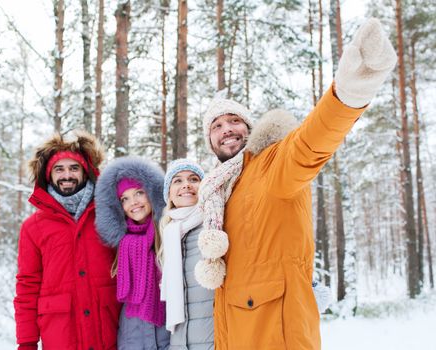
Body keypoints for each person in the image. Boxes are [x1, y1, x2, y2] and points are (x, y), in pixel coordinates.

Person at [194, 18, 397, 349]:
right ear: (210, 139)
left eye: (234, 121)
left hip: (278, 336)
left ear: (249, 128)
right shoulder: (218, 191)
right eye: (216, 125)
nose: (226, 129)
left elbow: (311, 143)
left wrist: (349, 92)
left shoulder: (273, 164)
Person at [14, 130, 120, 350]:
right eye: (59, 169)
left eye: (74, 168)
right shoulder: (33, 227)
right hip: (60, 337)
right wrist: (27, 342)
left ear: (86, 172)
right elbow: (27, 287)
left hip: (110, 333)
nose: (67, 175)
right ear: (48, 175)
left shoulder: (108, 213)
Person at [95, 156, 170, 350]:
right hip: (131, 337)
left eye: (138, 193)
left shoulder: (169, 234)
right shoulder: (120, 244)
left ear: (151, 193)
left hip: (167, 335)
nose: (133, 203)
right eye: (124, 199)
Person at [157, 159, 214, 350]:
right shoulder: (170, 234)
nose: (186, 185)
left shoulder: (214, 226)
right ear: (170, 194)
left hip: (215, 338)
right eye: (177, 181)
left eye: (193, 179)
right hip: (180, 341)